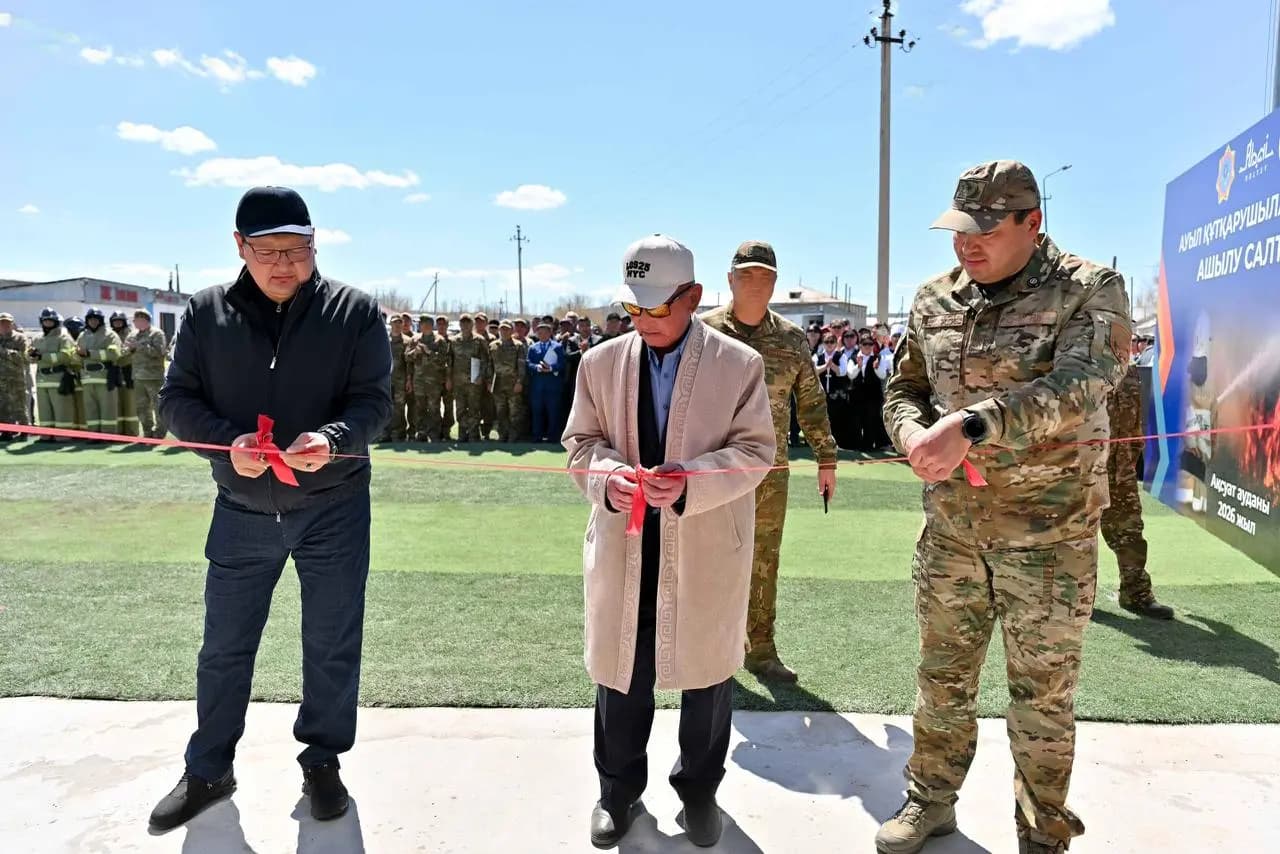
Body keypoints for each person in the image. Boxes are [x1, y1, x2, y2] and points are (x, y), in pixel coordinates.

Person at [878, 161, 1130, 854]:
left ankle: (1042, 829)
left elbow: (1086, 382)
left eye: (988, 228)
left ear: (1032, 223)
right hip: (954, 535)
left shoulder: (1088, 289)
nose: (969, 243)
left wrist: (973, 425)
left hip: (1049, 538)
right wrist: (910, 435)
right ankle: (930, 801)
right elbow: (902, 387)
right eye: (961, 228)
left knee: (1043, 699)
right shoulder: (934, 299)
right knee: (941, 682)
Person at [151, 185, 390, 832]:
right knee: (224, 646)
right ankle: (208, 768)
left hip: (333, 505)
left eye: (300, 249)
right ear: (239, 247)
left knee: (332, 642)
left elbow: (374, 403)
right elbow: (175, 401)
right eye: (269, 251)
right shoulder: (204, 313)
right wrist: (227, 445)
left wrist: (334, 441)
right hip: (241, 506)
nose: (285, 264)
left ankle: (322, 760)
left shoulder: (356, 312)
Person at [563, 233, 775, 849]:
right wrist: (608, 478)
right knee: (620, 667)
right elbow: (580, 444)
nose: (644, 320)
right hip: (624, 539)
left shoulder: (740, 364)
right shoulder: (598, 363)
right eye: (634, 307)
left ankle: (701, 790)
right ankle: (616, 791)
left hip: (706, 538)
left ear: (694, 296)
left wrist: (693, 482)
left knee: (708, 672)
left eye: (658, 307)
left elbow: (757, 450)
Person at [700, 241, 838, 683]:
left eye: (763, 276)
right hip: (712, 470)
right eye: (746, 275)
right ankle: (710, 648)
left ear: (776, 283)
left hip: (770, 472)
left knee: (764, 560)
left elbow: (812, 404)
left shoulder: (791, 340)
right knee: (710, 557)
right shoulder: (703, 335)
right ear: (729, 280)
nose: (755, 284)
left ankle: (760, 650)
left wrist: (826, 458)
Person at [1101, 362, 1173, 619]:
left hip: (1121, 471)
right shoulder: (1074, 364)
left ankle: (1135, 593)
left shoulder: (1129, 372)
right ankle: (1077, 599)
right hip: (1080, 471)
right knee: (1075, 538)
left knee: (1131, 533)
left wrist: (1133, 454)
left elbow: (1135, 419)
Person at [28, 307, 79, 438]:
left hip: (58, 378)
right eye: (45, 321)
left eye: (51, 321)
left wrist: (42, 357)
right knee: (44, 411)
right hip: (41, 379)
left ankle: (63, 437)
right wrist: (30, 355)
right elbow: (29, 355)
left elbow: (66, 356)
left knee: (62, 410)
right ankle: (46, 435)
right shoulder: (37, 338)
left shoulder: (63, 337)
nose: (48, 323)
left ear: (56, 321)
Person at [73, 307, 123, 434]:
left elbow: (114, 353)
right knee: (90, 408)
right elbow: (75, 355)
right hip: (87, 378)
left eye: (96, 319)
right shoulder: (82, 336)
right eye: (90, 319)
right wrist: (78, 355)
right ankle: (93, 434)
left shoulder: (110, 335)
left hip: (105, 377)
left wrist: (89, 353)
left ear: (101, 320)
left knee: (107, 408)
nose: (93, 322)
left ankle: (108, 434)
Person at [407, 312, 451, 441]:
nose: (424, 326)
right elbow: (406, 357)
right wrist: (414, 352)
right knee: (420, 407)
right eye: (422, 324)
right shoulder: (414, 340)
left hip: (434, 382)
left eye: (427, 324)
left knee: (434, 408)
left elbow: (443, 360)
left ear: (432, 326)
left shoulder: (440, 340)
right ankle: (421, 432)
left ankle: (434, 433)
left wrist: (428, 352)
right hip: (419, 381)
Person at [127, 309, 169, 439]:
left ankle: (159, 433)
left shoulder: (156, 334)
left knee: (158, 407)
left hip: (153, 377)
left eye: (137, 320)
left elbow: (159, 352)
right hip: (138, 376)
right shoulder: (132, 335)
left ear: (144, 320)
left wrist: (140, 346)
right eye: (134, 320)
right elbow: (124, 352)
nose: (135, 323)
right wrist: (130, 348)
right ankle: (147, 432)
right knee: (141, 408)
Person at [450, 314, 490, 442]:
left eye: (468, 323)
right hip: (458, 381)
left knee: (474, 408)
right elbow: (449, 361)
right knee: (460, 409)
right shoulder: (454, 341)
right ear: (460, 325)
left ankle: (473, 434)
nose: (465, 325)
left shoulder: (479, 340)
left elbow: (486, 360)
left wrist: (481, 376)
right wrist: (449, 378)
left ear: (472, 325)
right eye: (463, 323)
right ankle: (462, 433)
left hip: (474, 381)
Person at [527, 321, 565, 442]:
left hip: (552, 386)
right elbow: (528, 363)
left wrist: (551, 368)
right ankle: (537, 436)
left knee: (553, 411)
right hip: (537, 386)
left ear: (550, 333)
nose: (542, 334)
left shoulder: (557, 346)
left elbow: (562, 364)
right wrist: (537, 367)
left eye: (545, 332)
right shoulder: (533, 347)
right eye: (540, 332)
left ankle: (553, 436)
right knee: (537, 411)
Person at [490, 319, 527, 442]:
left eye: (507, 329)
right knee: (501, 411)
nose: (504, 331)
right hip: (498, 384)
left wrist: (519, 382)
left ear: (511, 330)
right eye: (502, 329)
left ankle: (513, 435)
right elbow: (489, 366)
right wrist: (488, 381)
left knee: (514, 411)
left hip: (513, 383)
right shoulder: (493, 345)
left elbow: (521, 365)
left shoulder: (518, 346)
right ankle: (503, 434)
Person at [0, 312, 31, 440]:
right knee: (3, 406)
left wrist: (3, 352)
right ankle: (7, 431)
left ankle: (24, 431)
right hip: (1, 379)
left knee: (19, 405)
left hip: (16, 377)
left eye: (7, 323)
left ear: (12, 324)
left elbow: (24, 357)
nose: (4, 326)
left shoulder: (20, 338)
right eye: (2, 323)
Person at [109, 311, 139, 436]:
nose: (117, 323)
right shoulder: (109, 335)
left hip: (128, 370)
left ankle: (131, 431)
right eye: (115, 321)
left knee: (130, 402)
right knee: (117, 402)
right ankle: (119, 431)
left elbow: (126, 351)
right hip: (114, 371)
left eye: (120, 321)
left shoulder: (131, 335)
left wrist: (121, 352)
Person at [386, 315, 409, 441]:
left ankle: (398, 434)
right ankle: (385, 433)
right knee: (385, 407)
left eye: (399, 323)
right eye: (395, 323)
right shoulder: (383, 340)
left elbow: (409, 364)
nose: (397, 325)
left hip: (401, 381)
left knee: (399, 408)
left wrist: (409, 380)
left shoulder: (407, 341)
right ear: (391, 324)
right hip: (385, 381)